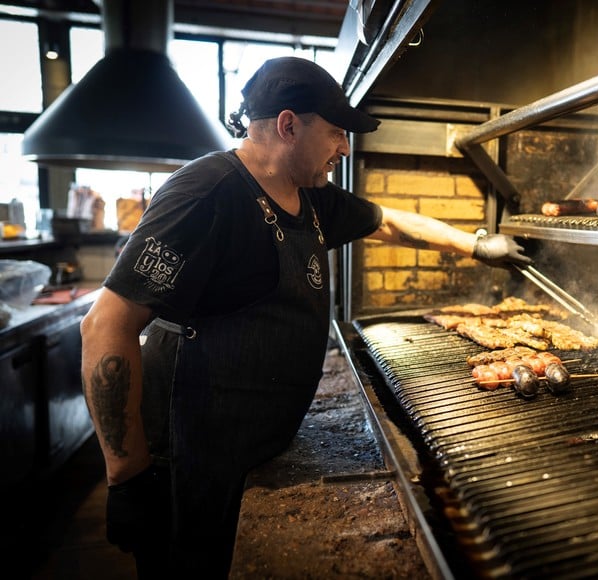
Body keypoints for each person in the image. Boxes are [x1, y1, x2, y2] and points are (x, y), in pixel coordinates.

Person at [79, 56, 532, 578]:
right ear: (289, 125)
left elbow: (390, 223)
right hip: (190, 458)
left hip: (260, 447)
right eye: (337, 132)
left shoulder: (311, 197)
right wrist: (126, 480)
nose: (343, 147)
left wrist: (476, 246)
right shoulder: (203, 195)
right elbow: (105, 326)